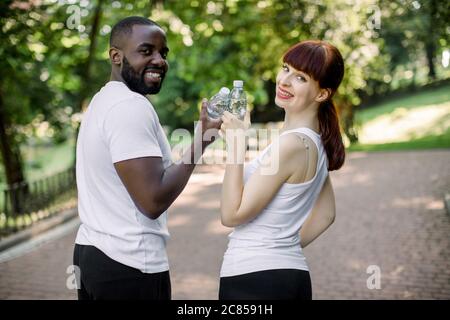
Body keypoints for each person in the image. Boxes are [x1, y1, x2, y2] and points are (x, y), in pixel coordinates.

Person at [73, 16, 220, 300]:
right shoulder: (129, 106)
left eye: (163, 53)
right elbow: (152, 200)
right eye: (146, 51)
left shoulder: (102, 101)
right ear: (116, 56)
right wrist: (202, 140)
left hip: (93, 254)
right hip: (129, 263)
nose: (159, 60)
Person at [218, 40, 345, 300]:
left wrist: (235, 146)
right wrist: (281, 249)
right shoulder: (315, 143)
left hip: (253, 280)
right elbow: (326, 215)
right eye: (285, 68)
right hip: (289, 276)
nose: (284, 81)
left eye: (300, 77)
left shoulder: (290, 145)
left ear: (322, 94)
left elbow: (232, 214)